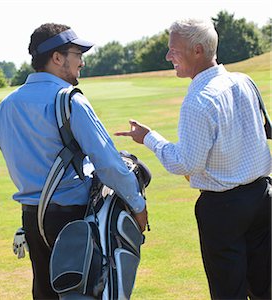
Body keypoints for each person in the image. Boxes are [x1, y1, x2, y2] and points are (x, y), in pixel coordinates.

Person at [116, 19, 271, 299]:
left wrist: (149, 138)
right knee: (265, 287)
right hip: (262, 198)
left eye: (173, 50)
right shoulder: (244, 81)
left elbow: (185, 164)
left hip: (223, 209)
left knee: (228, 292)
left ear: (197, 50)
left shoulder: (199, 99)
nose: (167, 56)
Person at [0, 23, 148, 299]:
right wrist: (138, 204)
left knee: (46, 293)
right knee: (83, 292)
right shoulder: (69, 100)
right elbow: (108, 164)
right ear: (57, 58)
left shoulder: (7, 105)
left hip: (32, 217)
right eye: (77, 53)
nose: (82, 62)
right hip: (73, 217)